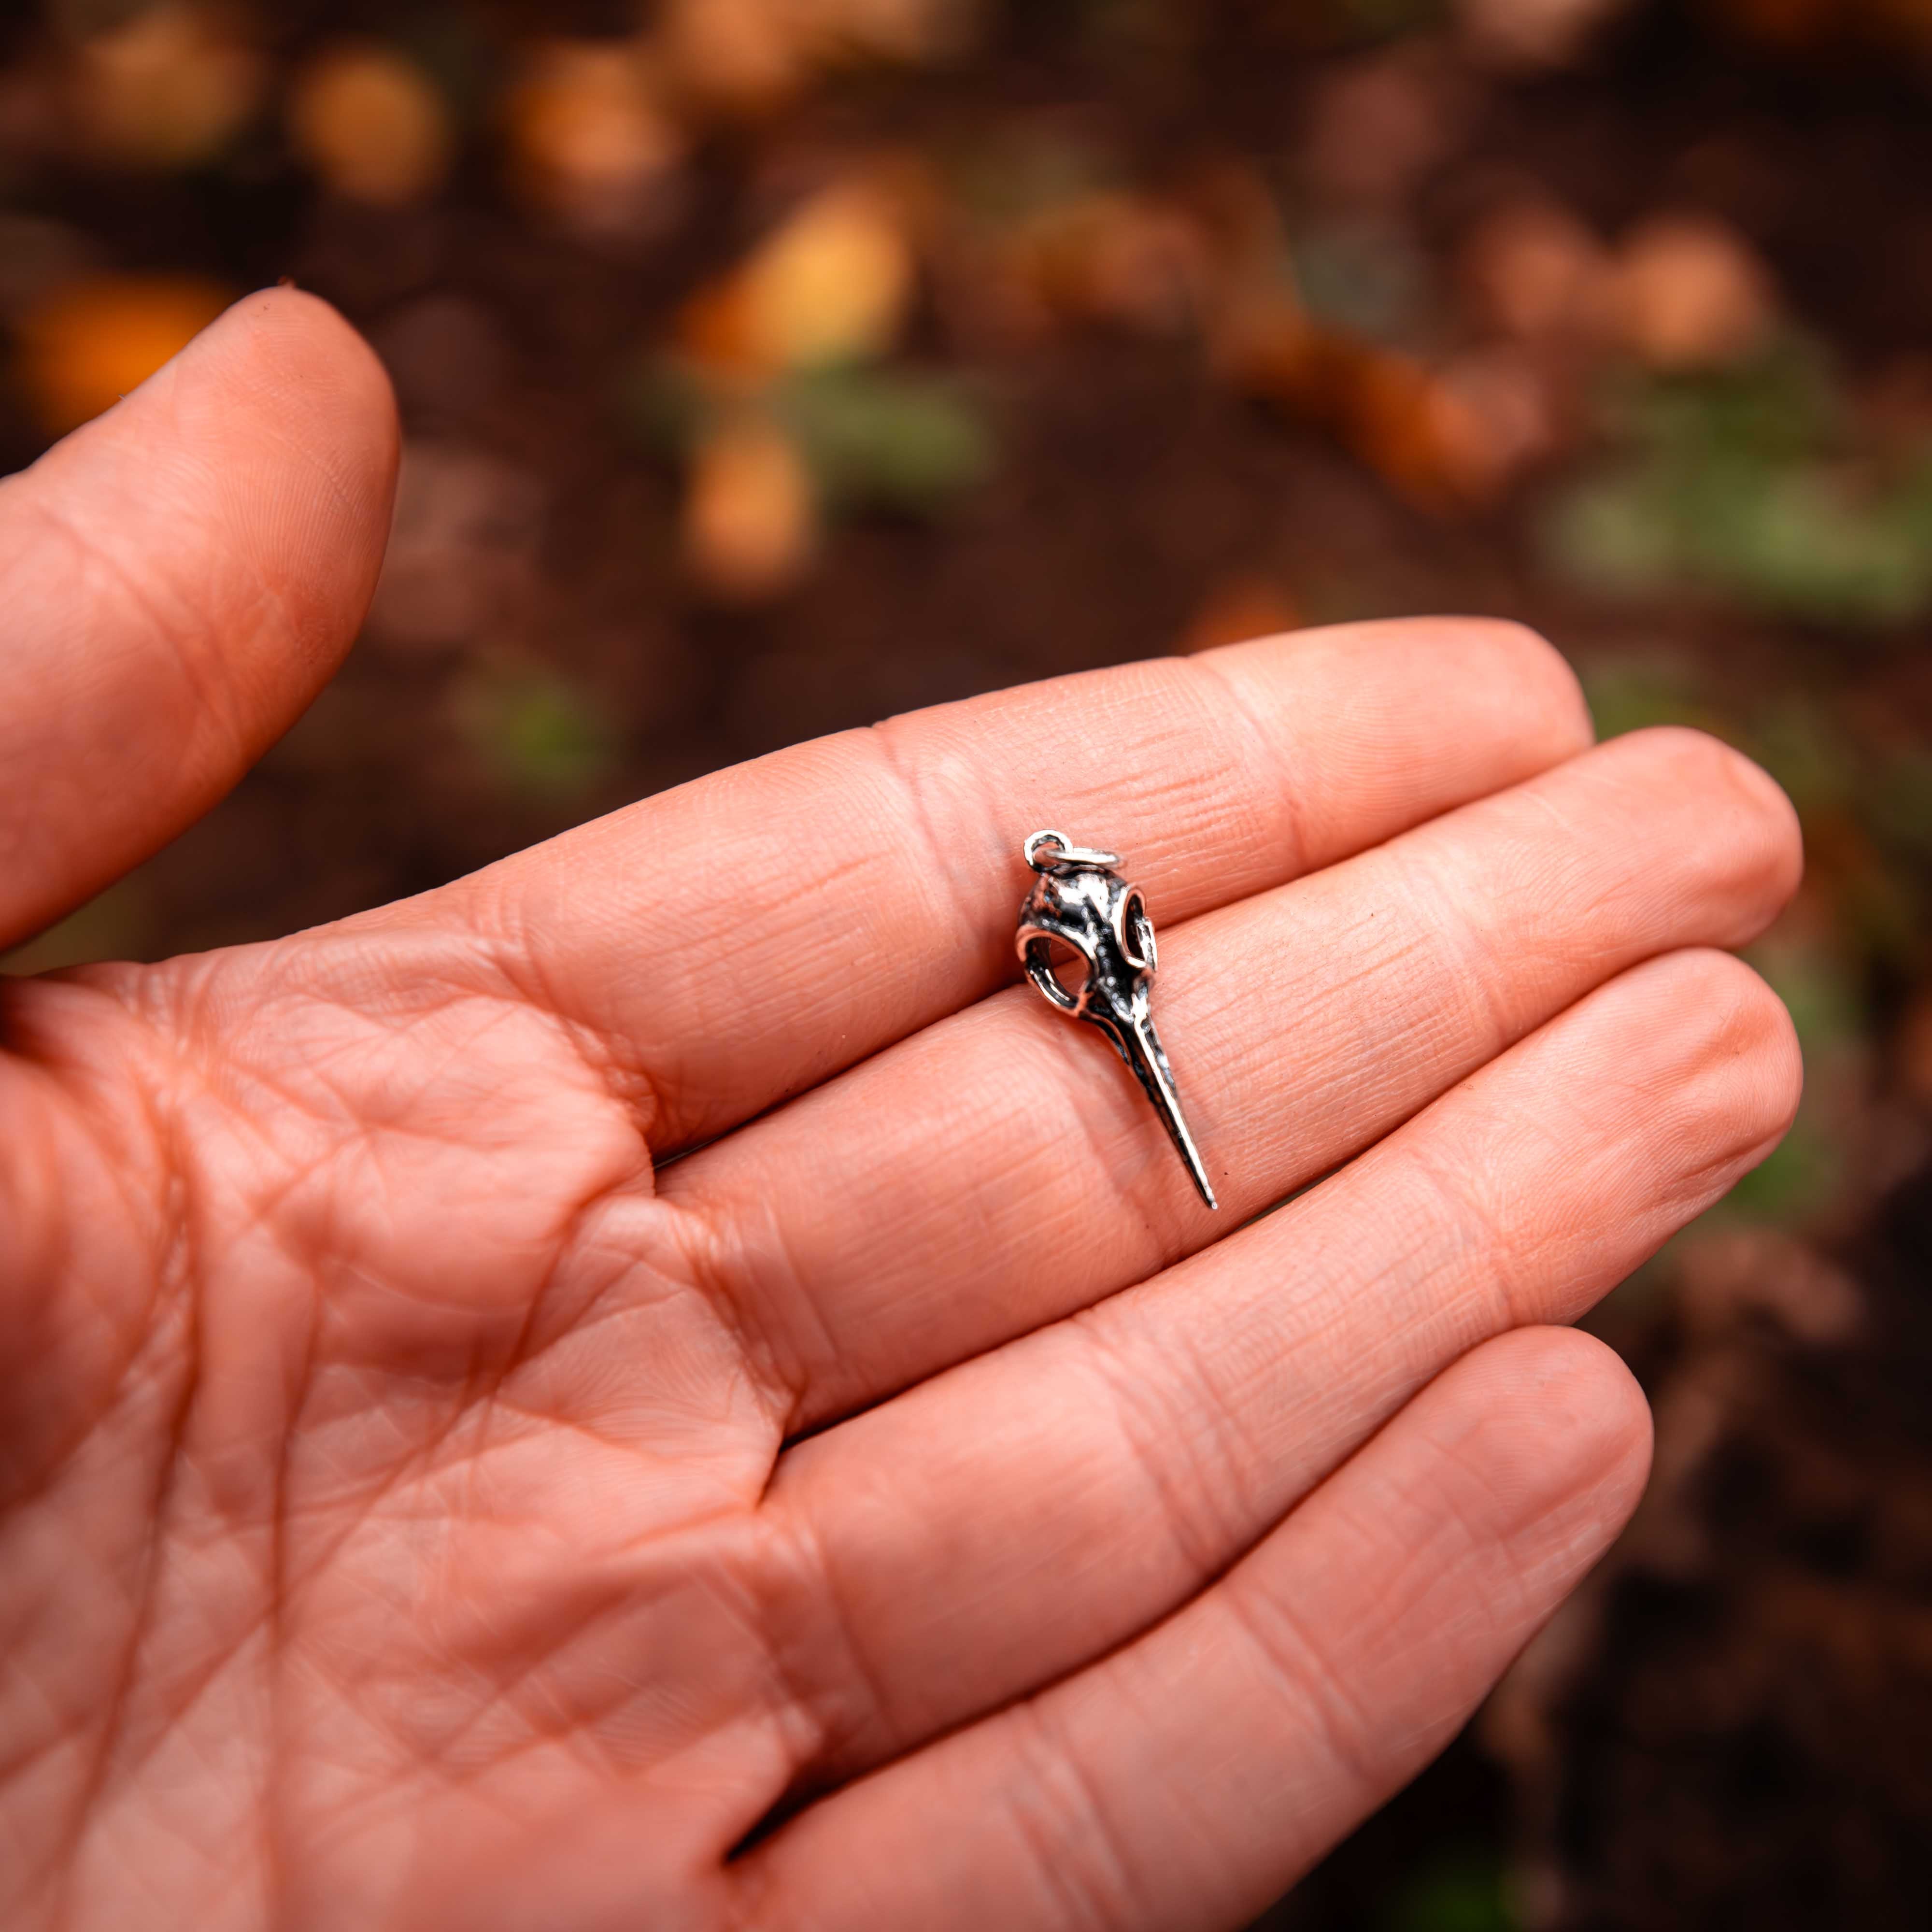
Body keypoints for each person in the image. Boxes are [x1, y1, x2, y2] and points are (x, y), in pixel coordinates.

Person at [0, 290, 1802, 1932]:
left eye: (1062, 867)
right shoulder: (1064, 916)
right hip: (1115, 1009)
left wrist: (1090, 974)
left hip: (1130, 1008)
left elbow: (1093, 947)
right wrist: (1074, 974)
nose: (1060, 873)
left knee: (1184, 1103)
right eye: (1057, 873)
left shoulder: (1085, 910)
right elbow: (1069, 951)